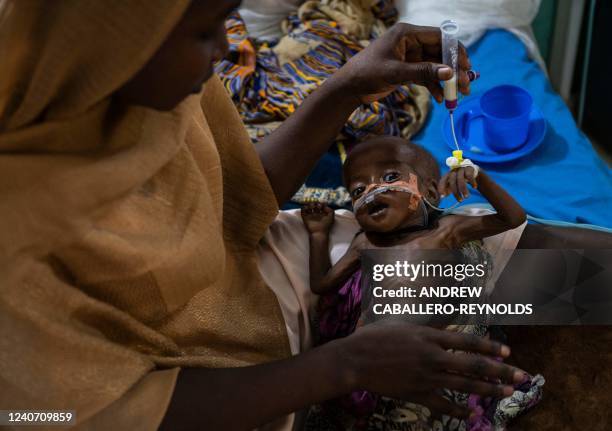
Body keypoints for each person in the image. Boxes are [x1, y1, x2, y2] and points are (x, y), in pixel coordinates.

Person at [0, 1, 528, 430]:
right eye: (204, 31)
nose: (226, 50)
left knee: (556, 270)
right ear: (108, 45)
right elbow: (84, 415)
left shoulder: (161, 88)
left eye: (226, 18)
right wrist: (346, 364)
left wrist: (347, 87)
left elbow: (236, 196)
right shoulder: (17, 251)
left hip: (278, 284)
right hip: (256, 387)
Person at [301, 137, 545, 430]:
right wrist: (318, 235)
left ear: (429, 191)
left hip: (427, 359)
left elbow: (513, 217)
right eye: (357, 190)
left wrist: (478, 178)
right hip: (367, 362)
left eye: (390, 177)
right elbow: (322, 284)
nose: (372, 190)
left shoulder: (446, 232)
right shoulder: (365, 242)